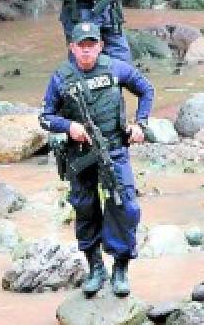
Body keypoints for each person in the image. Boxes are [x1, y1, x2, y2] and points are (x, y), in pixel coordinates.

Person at [40, 21, 154, 297]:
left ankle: (121, 266)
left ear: (100, 46)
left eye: (92, 45)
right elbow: (45, 117)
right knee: (85, 207)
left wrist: (140, 124)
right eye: (82, 46)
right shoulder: (61, 77)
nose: (87, 51)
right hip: (79, 154)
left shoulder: (115, 68)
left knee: (125, 206)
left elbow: (146, 90)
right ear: (73, 48)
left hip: (113, 148)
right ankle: (95, 266)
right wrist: (69, 127)